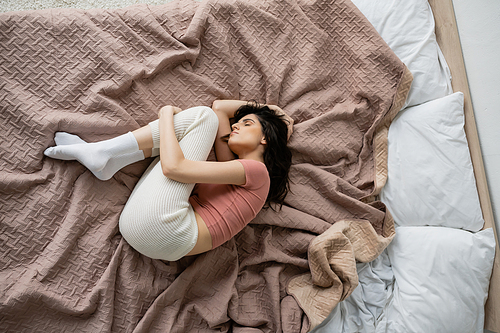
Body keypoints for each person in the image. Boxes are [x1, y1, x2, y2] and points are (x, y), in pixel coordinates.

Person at [44, 100, 293, 261]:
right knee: (206, 118)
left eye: (246, 124)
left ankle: (103, 152)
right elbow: (220, 108)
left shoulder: (257, 172)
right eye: (236, 123)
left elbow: (174, 168)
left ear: (265, 139)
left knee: (201, 117)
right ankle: (109, 160)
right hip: (151, 235)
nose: (235, 126)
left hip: (169, 230)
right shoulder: (233, 167)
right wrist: (275, 111)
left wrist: (164, 114)